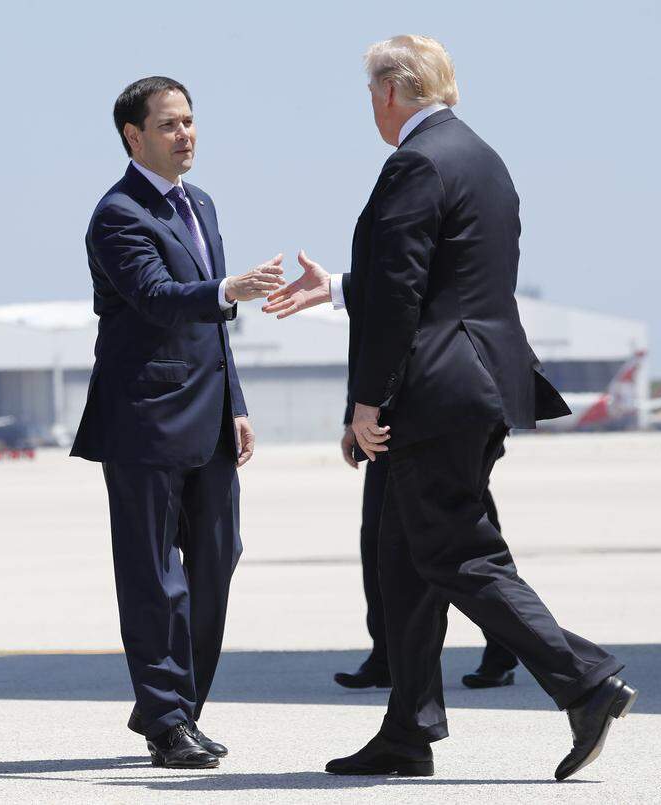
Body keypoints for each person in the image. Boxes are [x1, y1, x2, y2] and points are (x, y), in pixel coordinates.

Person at [264, 35, 635, 781]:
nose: (371, 107)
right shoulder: (480, 157)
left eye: (372, 93)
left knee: (456, 551)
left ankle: (584, 680)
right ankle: (407, 729)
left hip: (433, 391)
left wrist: (366, 402)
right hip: (482, 382)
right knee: (404, 559)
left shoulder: (414, 161)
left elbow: (403, 294)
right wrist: (337, 286)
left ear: (394, 90)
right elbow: (447, 277)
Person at [72, 76, 284, 769]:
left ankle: (179, 705)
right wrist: (230, 289)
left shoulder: (202, 204)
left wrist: (239, 403)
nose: (185, 134)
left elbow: (214, 330)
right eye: (169, 125)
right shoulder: (117, 214)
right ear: (135, 137)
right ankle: (167, 720)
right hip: (145, 420)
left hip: (211, 416)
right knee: (153, 575)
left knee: (219, 561)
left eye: (190, 121)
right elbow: (159, 298)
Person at [334, 431, 518, 690]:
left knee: (471, 545)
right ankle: (388, 656)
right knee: (378, 539)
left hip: (456, 421)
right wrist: (358, 413)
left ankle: (506, 650)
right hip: (388, 423)